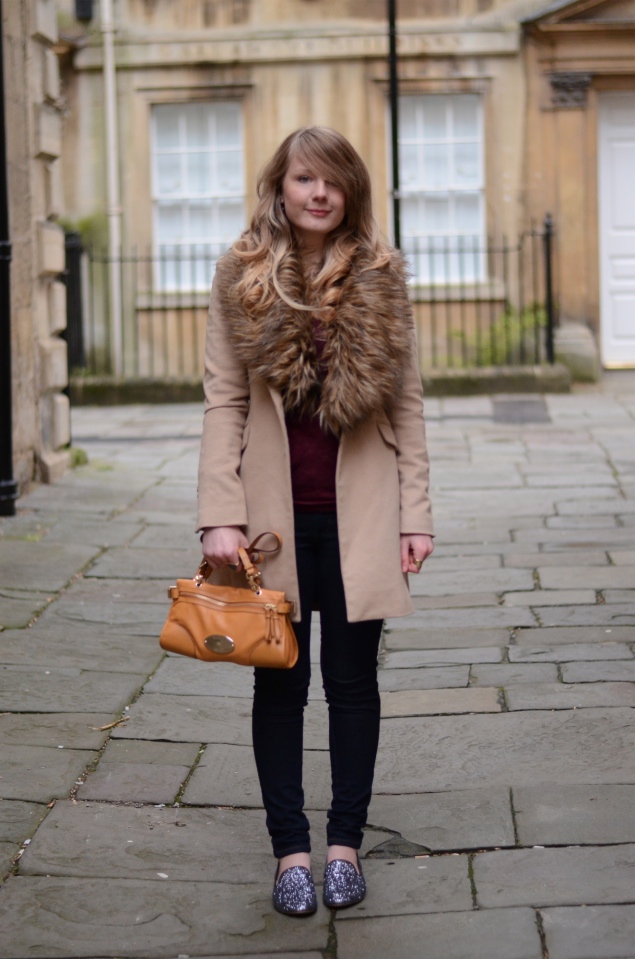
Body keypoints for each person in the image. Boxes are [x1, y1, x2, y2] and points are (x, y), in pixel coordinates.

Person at [197, 126, 434, 916]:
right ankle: (290, 852)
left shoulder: (381, 275)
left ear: (351, 192)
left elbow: (407, 403)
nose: (319, 193)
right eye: (305, 178)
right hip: (270, 526)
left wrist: (416, 514)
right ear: (282, 185)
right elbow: (223, 403)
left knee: (352, 685)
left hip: (360, 515)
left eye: (333, 180)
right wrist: (217, 518)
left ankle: (344, 847)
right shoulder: (240, 275)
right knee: (280, 685)